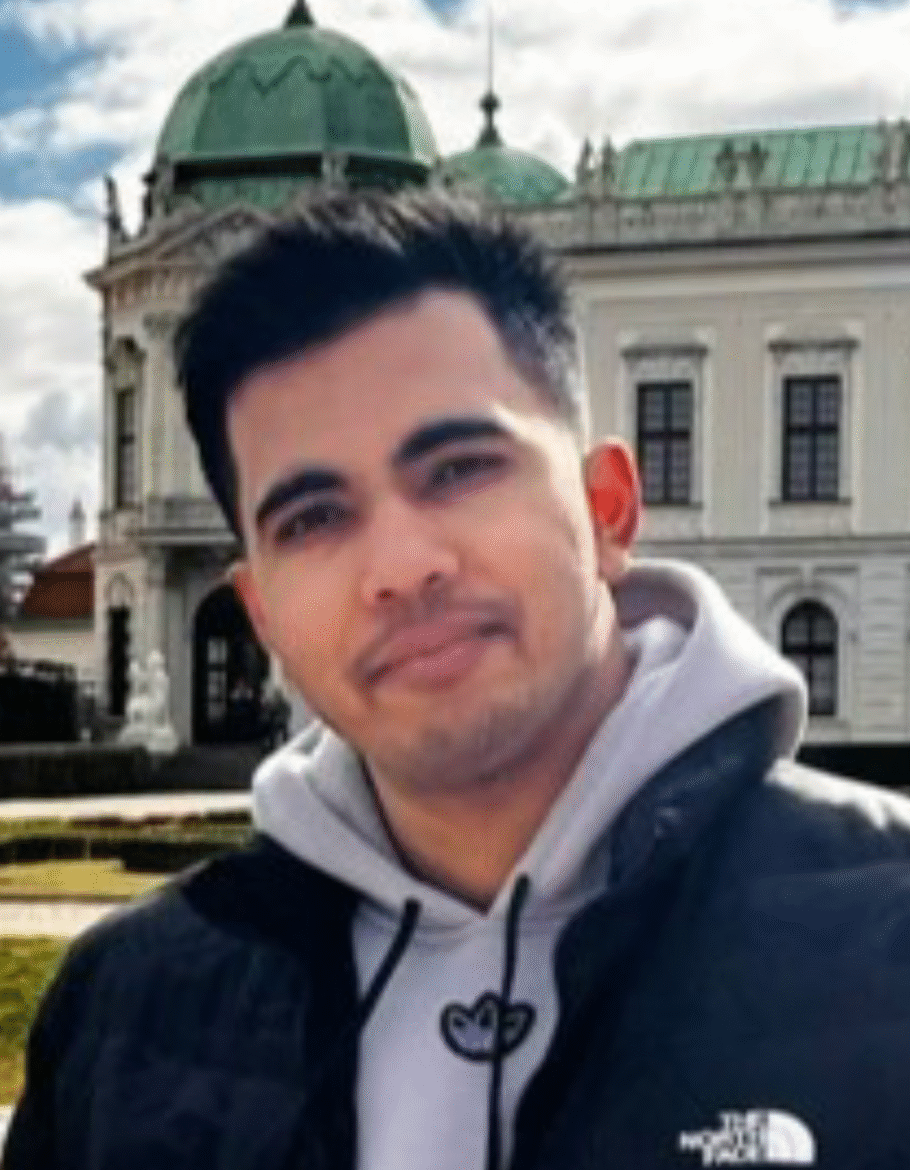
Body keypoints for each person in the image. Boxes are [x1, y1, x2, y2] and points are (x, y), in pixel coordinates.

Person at [6, 191, 910, 1169]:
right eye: (312, 519)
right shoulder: (121, 1015)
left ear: (607, 509)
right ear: (263, 615)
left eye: (459, 468)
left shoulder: (887, 928)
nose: (400, 567)